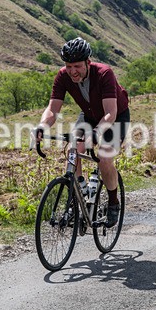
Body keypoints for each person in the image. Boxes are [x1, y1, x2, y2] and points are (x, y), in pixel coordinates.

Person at [35, 37, 130, 225]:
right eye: (68, 66)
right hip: (89, 115)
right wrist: (42, 126)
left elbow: (110, 113)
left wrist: (96, 133)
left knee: (104, 158)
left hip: (115, 117)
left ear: (88, 62)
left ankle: (113, 202)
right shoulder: (63, 76)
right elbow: (53, 109)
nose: (72, 71)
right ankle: (77, 192)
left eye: (77, 66)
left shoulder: (104, 74)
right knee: (73, 148)